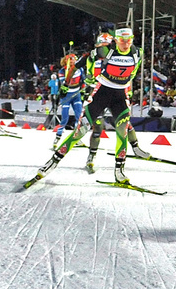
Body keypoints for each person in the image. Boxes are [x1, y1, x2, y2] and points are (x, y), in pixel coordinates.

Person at [39, 27, 141, 183]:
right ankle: (53, 161)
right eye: (122, 40)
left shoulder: (137, 53)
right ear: (116, 41)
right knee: (82, 131)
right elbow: (83, 61)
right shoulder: (103, 52)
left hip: (120, 96)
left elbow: (132, 74)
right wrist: (66, 84)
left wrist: (129, 90)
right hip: (100, 93)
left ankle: (119, 170)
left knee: (123, 130)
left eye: (129, 40)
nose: (126, 44)